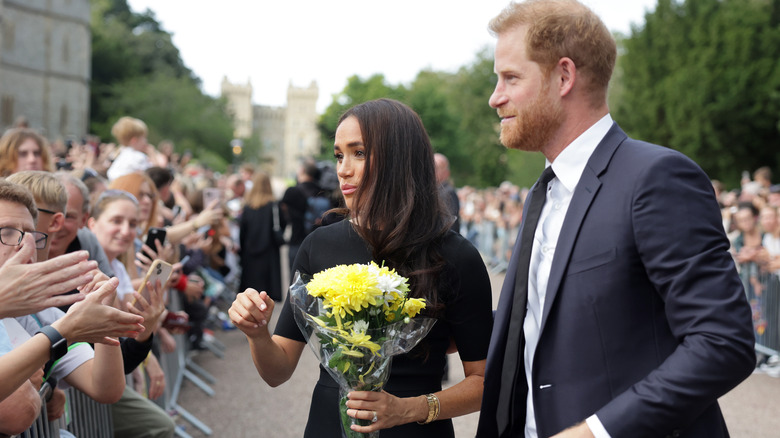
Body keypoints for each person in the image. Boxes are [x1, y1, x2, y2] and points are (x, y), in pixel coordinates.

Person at [476, 2, 755, 438]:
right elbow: (554, 319)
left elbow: (723, 343)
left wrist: (596, 432)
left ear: (564, 76)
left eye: (510, 78)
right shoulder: (542, 192)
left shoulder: (656, 178)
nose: (495, 97)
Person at [229, 98, 493, 437]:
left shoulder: (455, 255)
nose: (343, 169)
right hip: (328, 425)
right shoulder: (319, 246)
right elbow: (277, 371)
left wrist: (408, 409)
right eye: (339, 155)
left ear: (399, 159)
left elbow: (484, 382)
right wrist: (257, 334)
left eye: (359, 153)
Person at [238, 171, 285, 302]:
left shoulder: (248, 207)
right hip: (269, 255)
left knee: (251, 295)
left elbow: (243, 233)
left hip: (250, 255)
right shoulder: (274, 206)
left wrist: (241, 254)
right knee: (266, 296)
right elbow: (282, 224)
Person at [280, 158, 325, 269]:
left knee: (296, 283)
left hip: (297, 242)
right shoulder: (322, 191)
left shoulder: (292, 192)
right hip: (319, 244)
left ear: (302, 170)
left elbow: (282, 216)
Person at [434, 153, 460, 234]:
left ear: (447, 172)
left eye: (437, 167)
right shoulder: (436, 191)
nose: (433, 170)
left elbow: (450, 224)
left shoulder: (448, 192)